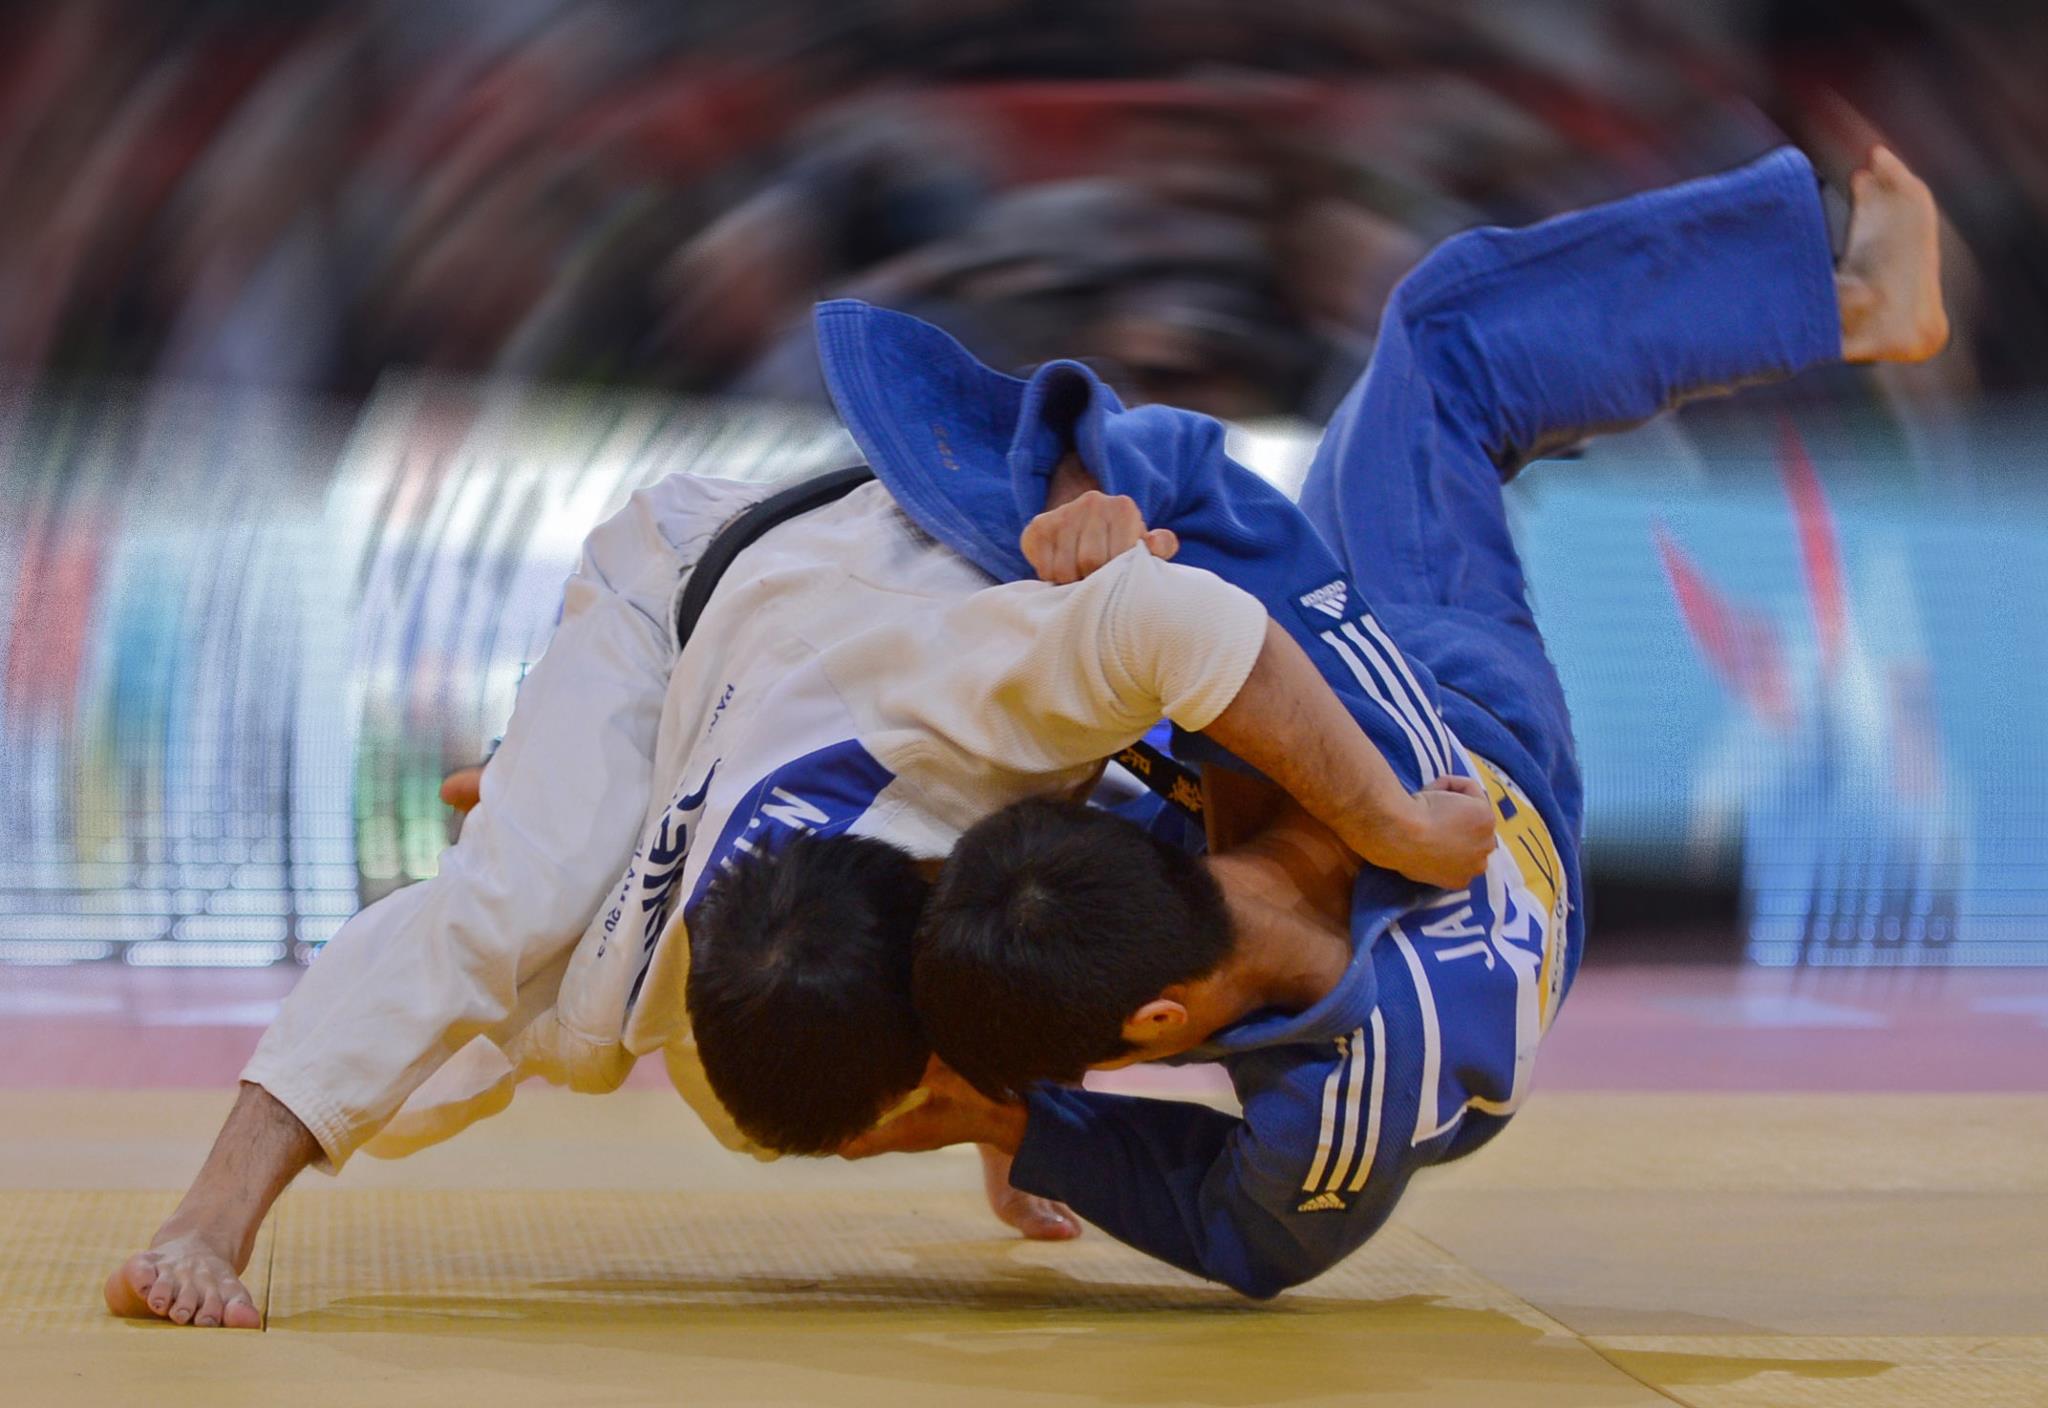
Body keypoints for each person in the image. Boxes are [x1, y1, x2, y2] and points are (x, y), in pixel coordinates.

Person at [103, 349, 1491, 1331]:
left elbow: (1184, 626)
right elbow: (463, 964)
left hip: (827, 589)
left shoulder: (976, 715)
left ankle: (550, 784)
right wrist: (211, 1233)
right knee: (503, 924)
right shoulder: (618, 995)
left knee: (540, 901)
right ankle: (216, 1206)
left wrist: (1395, 826)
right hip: (674, 616)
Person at [837, 146, 1948, 1298]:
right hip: (1472, 722)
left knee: (1009, 742)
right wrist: (1030, 1123)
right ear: (1162, 1015)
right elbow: (1251, 1238)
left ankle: (1850, 302)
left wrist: (1027, 1126)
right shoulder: (1355, 1028)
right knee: (1439, 346)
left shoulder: (1320, 1103)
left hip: (1381, 808)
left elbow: (1252, 1236)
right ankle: (1844, 300)